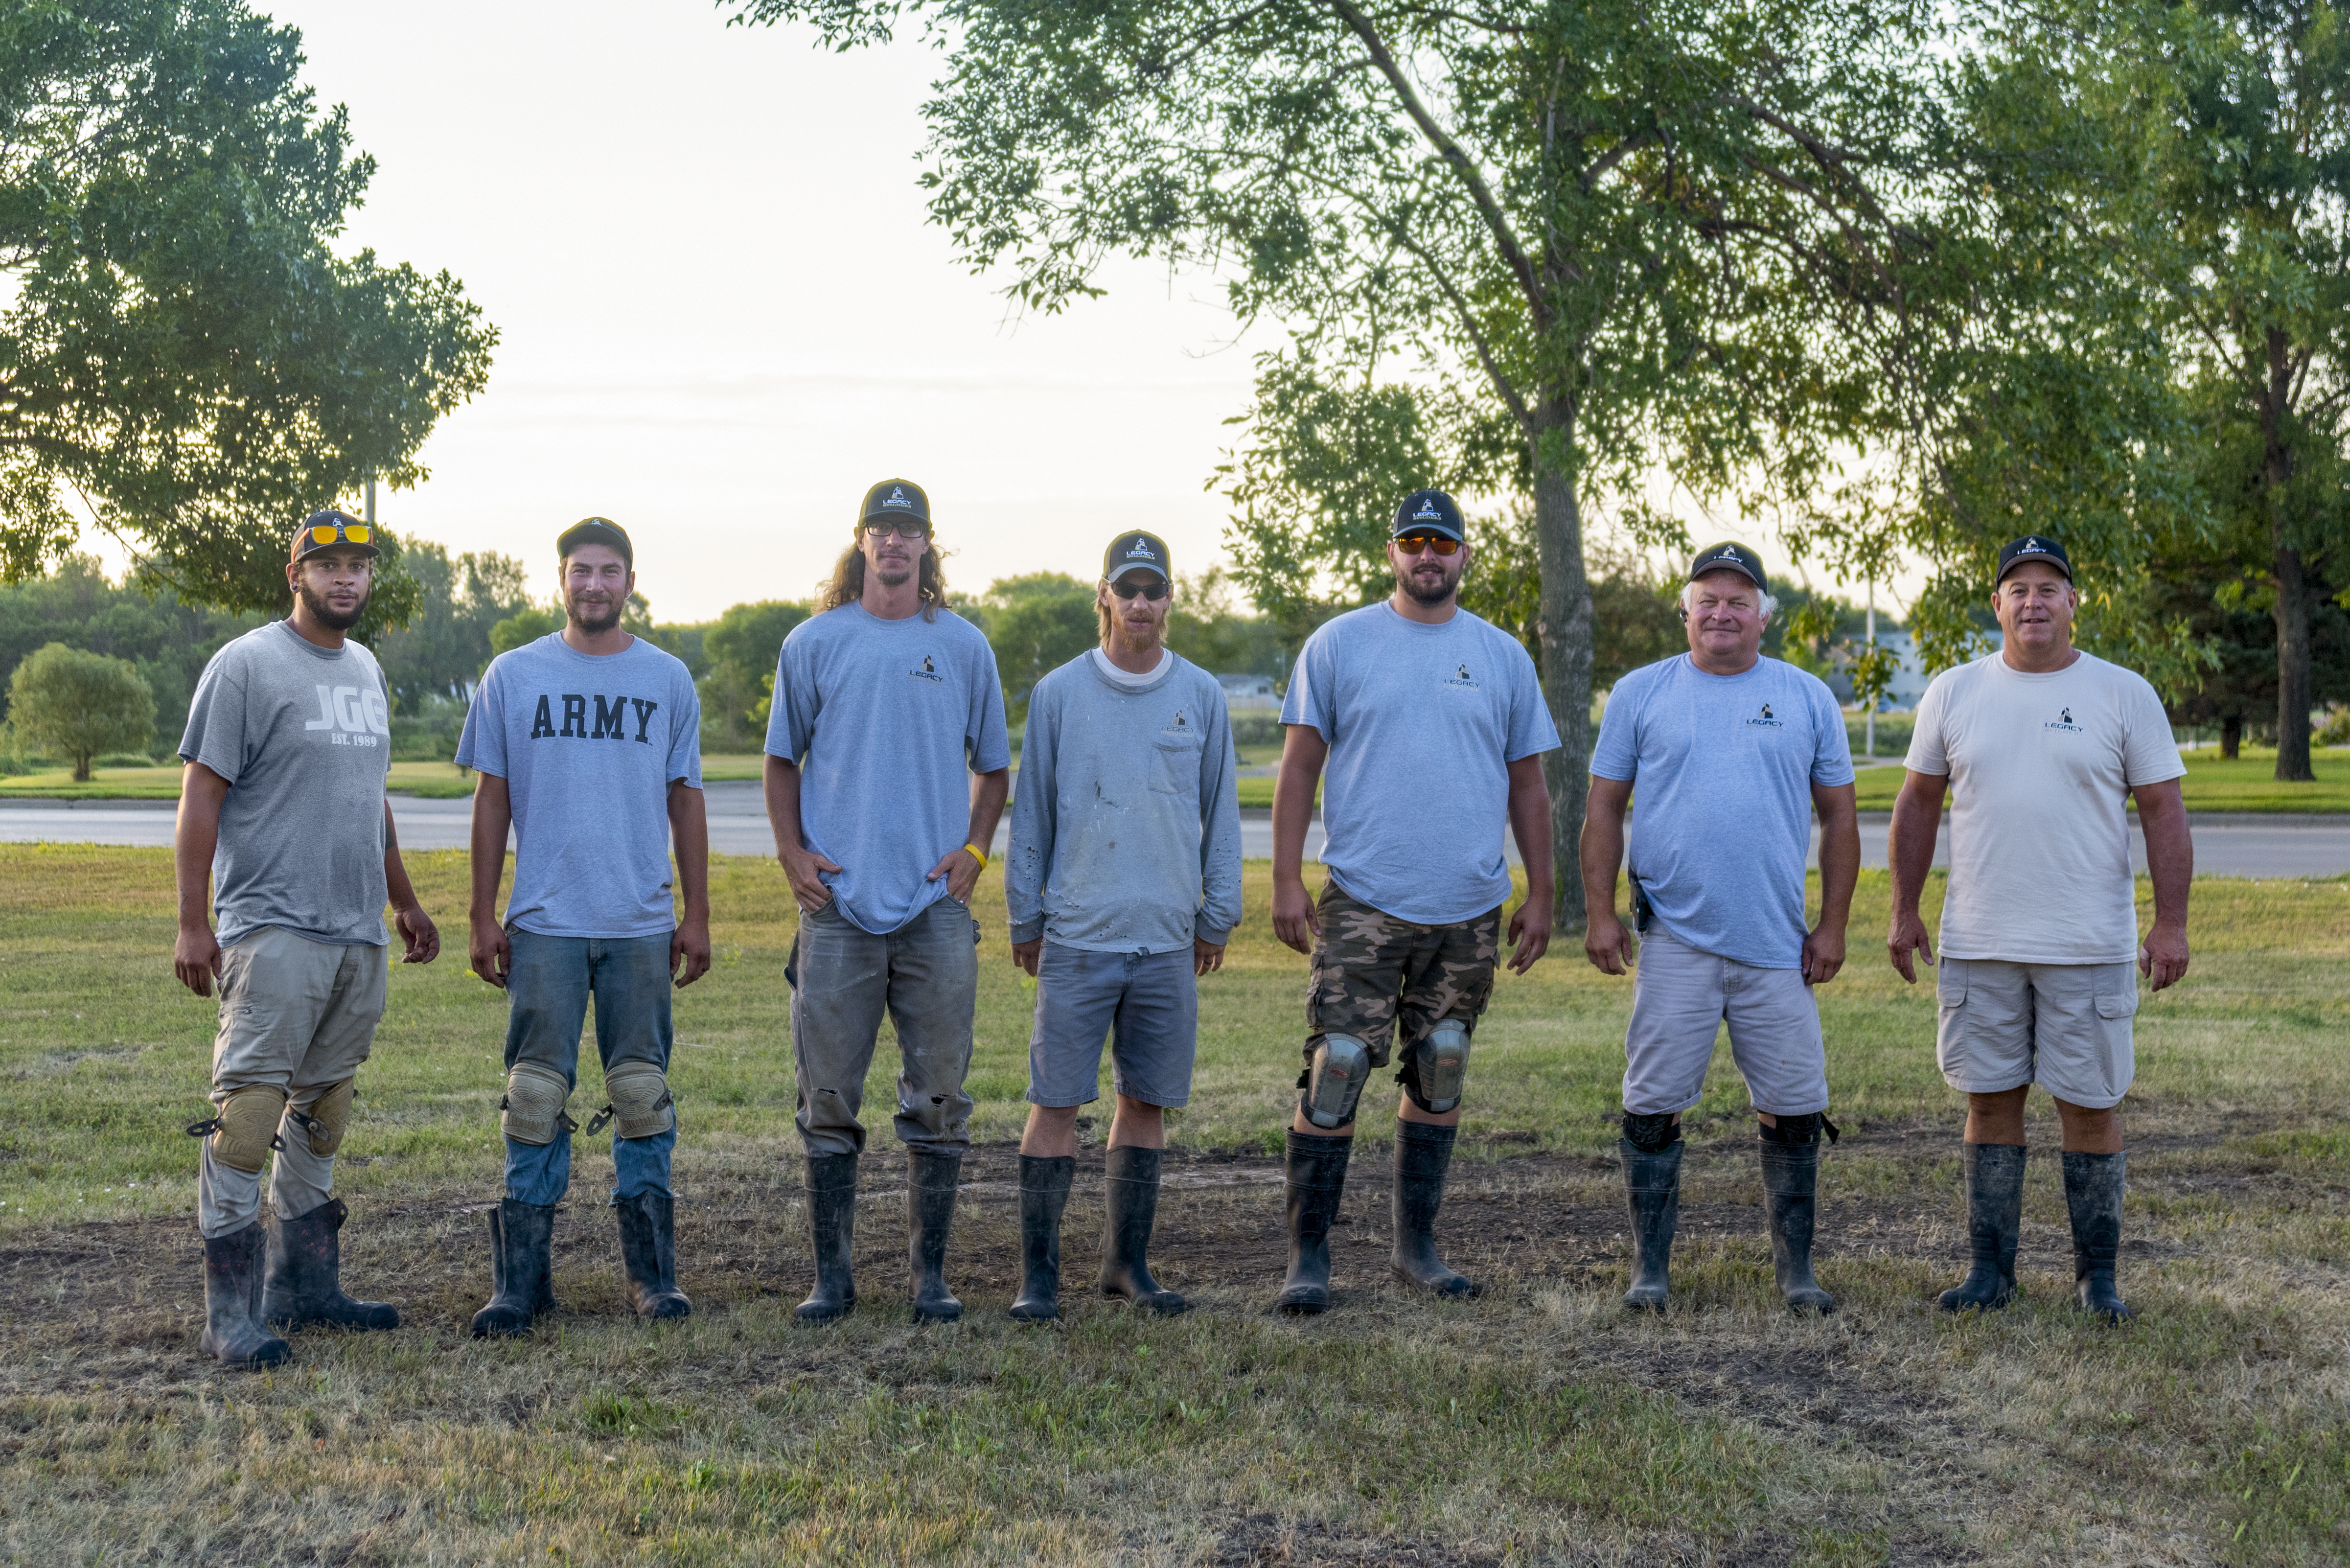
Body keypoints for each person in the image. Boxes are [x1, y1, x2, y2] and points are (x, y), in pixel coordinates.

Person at [1888, 535, 2191, 1324]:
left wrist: (2169, 923)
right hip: (1980, 941)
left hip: (2085, 944)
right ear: (1996, 604)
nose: (2032, 601)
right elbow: (1917, 803)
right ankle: (1989, 1271)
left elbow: (2162, 809)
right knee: (1988, 1101)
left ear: (2071, 603)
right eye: (2016, 588)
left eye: (2047, 587)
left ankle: (2096, 1278)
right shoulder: (1952, 693)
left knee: (2090, 1103)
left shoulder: (2123, 694)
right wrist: (1902, 909)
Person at [1268, 488, 1558, 1314]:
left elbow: (1528, 786)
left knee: (1442, 1066)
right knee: (1337, 1070)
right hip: (1363, 898)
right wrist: (1287, 880)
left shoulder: (1501, 656)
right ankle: (1308, 1258)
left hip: (1466, 906)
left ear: (1466, 556)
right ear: (1391, 553)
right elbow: (1297, 768)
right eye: (1413, 541)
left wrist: (1541, 896)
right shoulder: (1339, 645)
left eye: (1442, 542)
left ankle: (1415, 1249)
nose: (1427, 555)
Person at [172, 509, 440, 1368]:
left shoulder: (367, 669)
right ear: (296, 574)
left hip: (356, 929)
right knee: (250, 1117)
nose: (345, 579)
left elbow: (373, 798)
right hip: (272, 925)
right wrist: (192, 920)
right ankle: (230, 1316)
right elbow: (201, 796)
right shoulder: (247, 665)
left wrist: (403, 901)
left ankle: (306, 1287)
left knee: (324, 1111)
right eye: (327, 566)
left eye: (359, 566)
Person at [1581, 542, 1860, 1314]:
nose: (1722, 613)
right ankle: (1651, 1271)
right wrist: (1600, 912)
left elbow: (1839, 817)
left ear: (1764, 617)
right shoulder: (1640, 694)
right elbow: (1603, 808)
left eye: (1739, 600)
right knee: (1653, 1103)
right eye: (1708, 599)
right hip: (1674, 937)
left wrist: (1831, 926)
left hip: (1776, 944)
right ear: (1685, 612)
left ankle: (1795, 1271)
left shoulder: (1805, 697)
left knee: (1794, 1105)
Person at [765, 480, 1011, 1324]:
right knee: (827, 1098)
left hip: (934, 907)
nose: (895, 543)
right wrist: (792, 851)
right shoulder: (815, 642)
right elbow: (780, 761)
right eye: (882, 529)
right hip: (837, 906)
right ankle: (832, 1279)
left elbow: (995, 767)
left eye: (909, 530)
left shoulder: (965, 646)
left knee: (939, 1098)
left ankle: (928, 1277)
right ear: (862, 540)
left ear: (926, 542)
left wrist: (975, 849)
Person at [457, 517, 711, 1336]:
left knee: (641, 1095)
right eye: (580, 571)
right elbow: (491, 797)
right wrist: (481, 912)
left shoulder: (667, 678)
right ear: (559, 581)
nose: (594, 585)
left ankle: (652, 1278)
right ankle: (522, 1284)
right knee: (534, 1096)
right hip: (545, 922)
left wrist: (696, 912)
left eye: (609, 571)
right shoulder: (515, 675)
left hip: (638, 920)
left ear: (629, 581)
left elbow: (686, 798)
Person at [1001, 530, 1244, 1321]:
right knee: (1057, 1102)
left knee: (1145, 1102)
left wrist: (1215, 915)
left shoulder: (1200, 694)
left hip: (1167, 939)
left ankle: (1125, 1265)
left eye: (1154, 590)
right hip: (1076, 935)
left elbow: (1220, 814)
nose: (1140, 603)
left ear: (1171, 600)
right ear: (1101, 595)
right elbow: (1030, 809)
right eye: (1126, 589)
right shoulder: (1060, 693)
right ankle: (1038, 1277)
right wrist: (1025, 914)